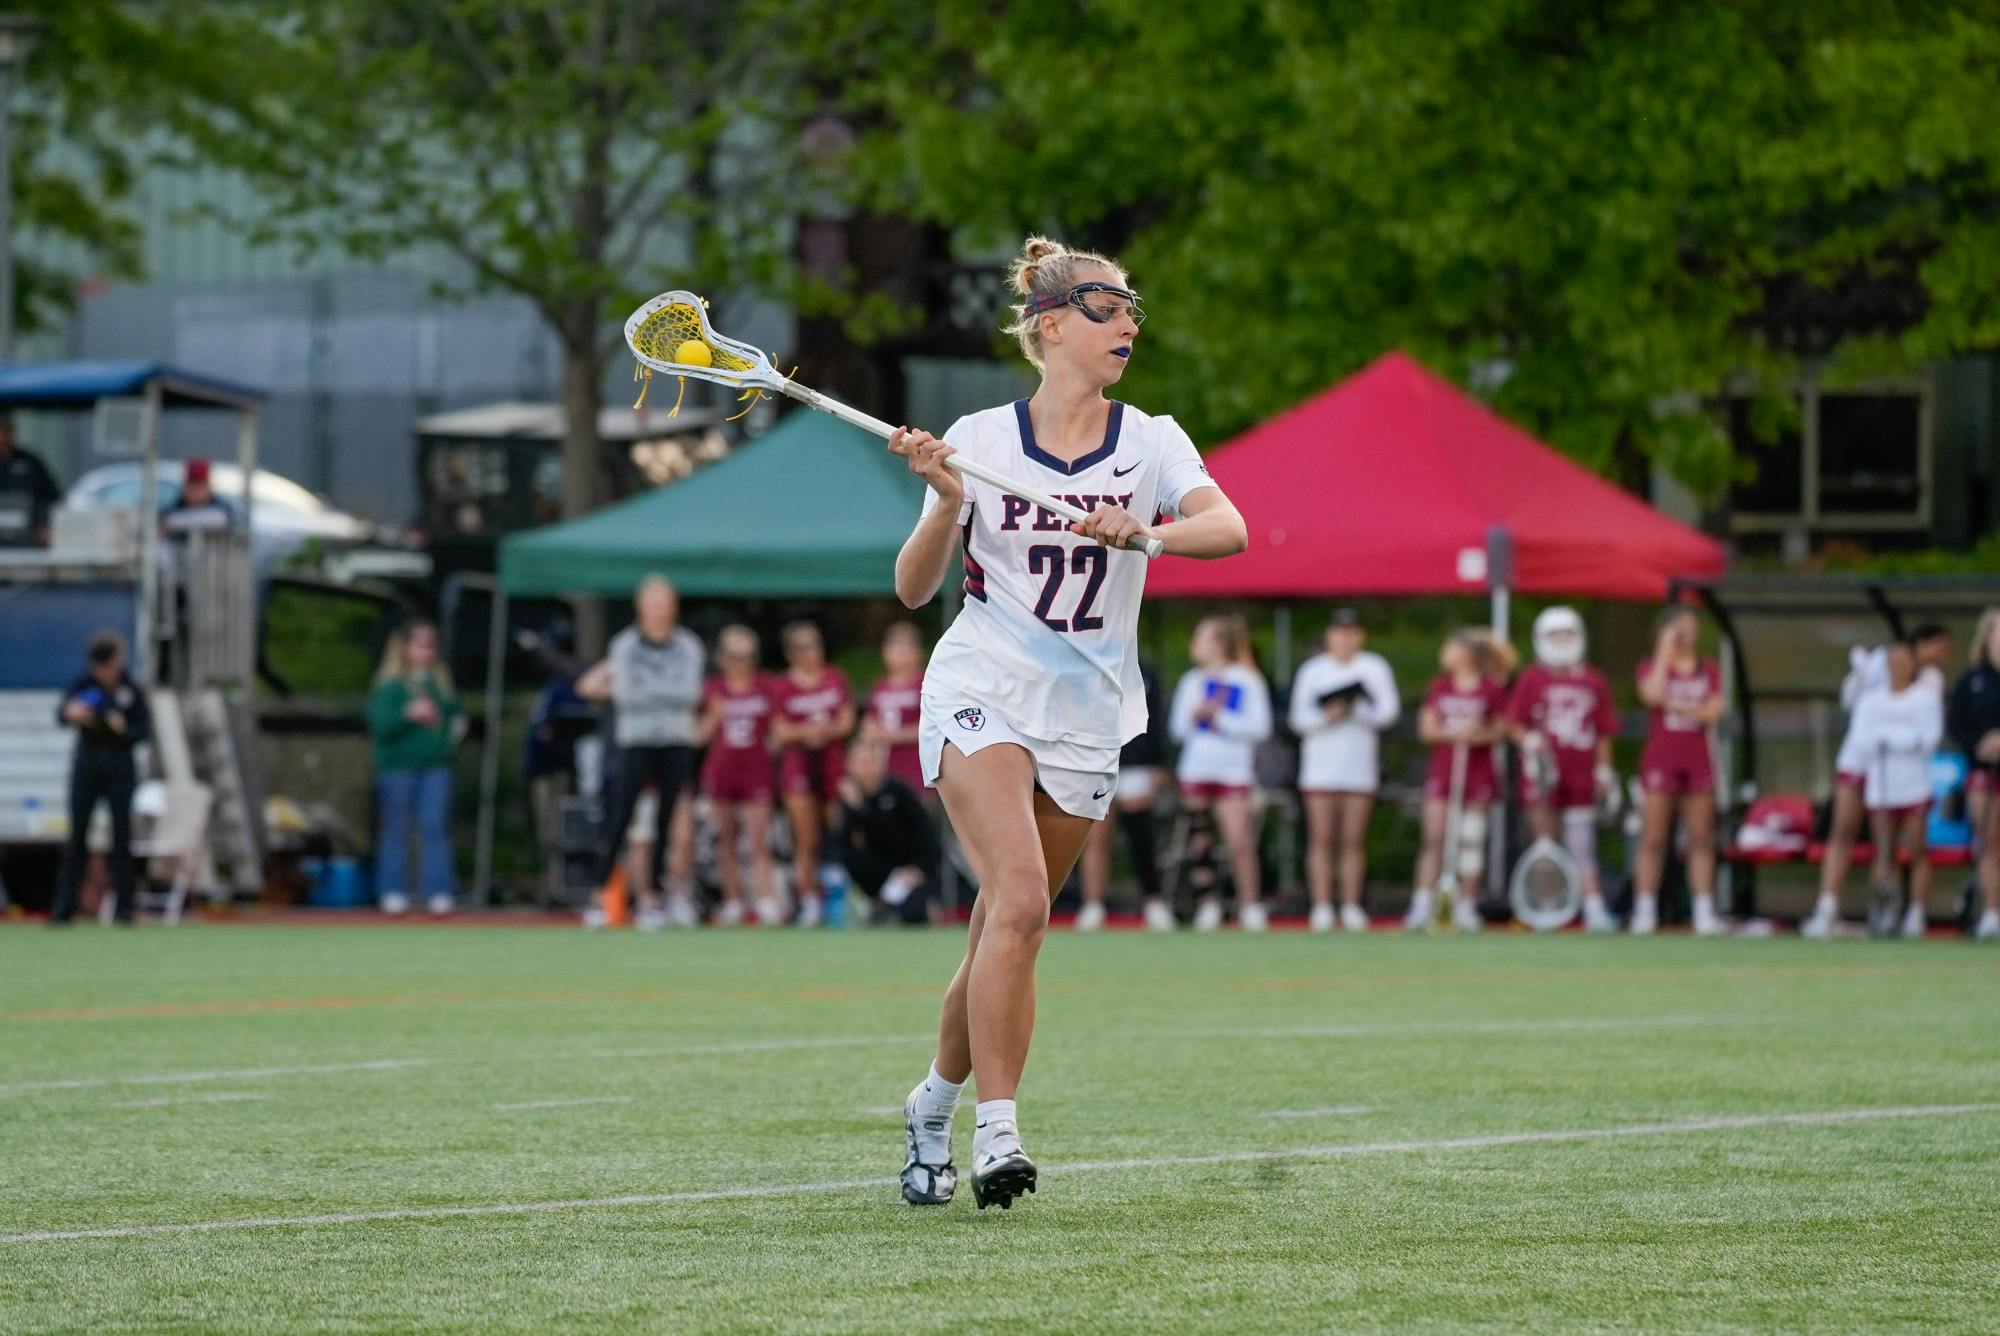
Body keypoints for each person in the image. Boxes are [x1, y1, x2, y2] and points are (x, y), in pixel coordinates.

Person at [887, 234, 1246, 1209]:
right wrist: (943, 501)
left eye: (1132, 308)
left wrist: (1148, 531)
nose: (1128, 322)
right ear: (1049, 325)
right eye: (1106, 307)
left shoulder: (1152, 441)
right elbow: (912, 589)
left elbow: (1229, 528)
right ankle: (998, 1134)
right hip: (984, 685)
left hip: (1088, 711)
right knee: (1021, 900)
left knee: (1001, 929)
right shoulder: (981, 437)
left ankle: (931, 1103)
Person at [1806, 623, 1953, 938]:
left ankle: (1898, 912)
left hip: (1898, 775)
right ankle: (1827, 907)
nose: (1942, 656)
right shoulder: (1876, 665)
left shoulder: (1930, 681)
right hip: (1860, 763)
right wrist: (1860, 677)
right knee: (1843, 831)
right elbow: (1851, 702)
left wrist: (1896, 741)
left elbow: (1927, 731)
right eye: (1938, 648)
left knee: (1890, 846)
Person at [578, 575, 705, 930]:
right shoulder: (625, 645)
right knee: (618, 818)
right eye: (653, 604)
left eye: (665, 604)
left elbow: (689, 694)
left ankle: (654, 898)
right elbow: (626, 696)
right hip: (635, 741)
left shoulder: (688, 646)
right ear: (641, 607)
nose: (659, 611)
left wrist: (646, 690)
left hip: (676, 741)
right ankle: (597, 897)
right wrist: (660, 692)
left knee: (666, 822)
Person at [1508, 606, 1619, 932]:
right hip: (1542, 775)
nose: (1561, 641)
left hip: (1580, 774)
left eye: (1567, 634)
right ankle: (1547, 907)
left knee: (1581, 844)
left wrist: (1604, 770)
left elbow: (1603, 731)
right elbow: (1513, 722)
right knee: (1545, 845)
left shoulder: (1593, 680)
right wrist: (1529, 741)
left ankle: (1592, 906)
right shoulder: (1532, 679)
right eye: (1555, 635)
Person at [1289, 608, 1400, 932]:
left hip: (1359, 766)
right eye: (1339, 632)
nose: (1345, 639)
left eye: (1351, 632)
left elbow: (1388, 713)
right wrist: (1329, 716)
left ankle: (1351, 904)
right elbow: (1298, 719)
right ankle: (1322, 905)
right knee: (1321, 837)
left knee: (1353, 839)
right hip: (1320, 767)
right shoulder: (1313, 670)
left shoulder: (1374, 667)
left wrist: (1357, 710)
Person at [1170, 613, 1274, 931]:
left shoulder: (1247, 679)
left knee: (1239, 841)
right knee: (1199, 841)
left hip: (1233, 771)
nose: (1194, 645)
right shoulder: (1192, 681)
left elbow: (1261, 728)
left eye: (1200, 639)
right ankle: (1207, 904)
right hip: (1197, 769)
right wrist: (1196, 715)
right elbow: (1177, 729)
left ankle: (1249, 904)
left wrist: (1221, 720)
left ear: (1218, 644)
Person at [1404, 630, 1512, 932]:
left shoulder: (1490, 688)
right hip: (1444, 770)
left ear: (1466, 654)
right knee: (1435, 837)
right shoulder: (1439, 687)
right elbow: (1427, 730)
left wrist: (1479, 734)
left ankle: (1467, 904)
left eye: (1450, 648)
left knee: (1471, 840)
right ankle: (1422, 903)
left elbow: (1501, 728)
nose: (1444, 654)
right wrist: (1454, 733)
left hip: (1478, 773)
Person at [1632, 606, 1726, 936]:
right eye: (1679, 627)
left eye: (1691, 626)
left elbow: (1712, 713)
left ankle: (1703, 909)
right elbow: (1652, 695)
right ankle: (1645, 909)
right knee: (1654, 837)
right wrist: (1663, 652)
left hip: (1697, 760)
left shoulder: (1707, 669)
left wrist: (1675, 707)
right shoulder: (1651, 666)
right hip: (1661, 760)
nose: (1687, 632)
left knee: (1700, 837)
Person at [50, 632, 152, 924]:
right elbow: (62, 714)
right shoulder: (85, 687)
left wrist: (123, 729)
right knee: (77, 837)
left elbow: (143, 730)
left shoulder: (130, 689)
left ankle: (125, 908)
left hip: (120, 767)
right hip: (88, 766)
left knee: (121, 838)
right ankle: (64, 907)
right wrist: (72, 713)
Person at [365, 620, 461, 916]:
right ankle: (392, 890)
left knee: (434, 826)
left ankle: (439, 891)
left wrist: (449, 735)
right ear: (405, 648)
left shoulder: (440, 684)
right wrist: (407, 713)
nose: (427, 650)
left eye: (431, 645)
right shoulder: (390, 686)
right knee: (396, 829)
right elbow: (380, 727)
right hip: (397, 768)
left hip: (435, 767)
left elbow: (453, 720)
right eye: (421, 644)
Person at [770, 620, 856, 927]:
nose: (812, 652)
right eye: (804, 647)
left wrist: (825, 730)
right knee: (806, 838)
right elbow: (780, 731)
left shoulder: (834, 678)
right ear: (790, 653)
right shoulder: (783, 686)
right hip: (799, 764)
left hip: (831, 762)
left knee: (839, 829)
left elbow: (847, 721)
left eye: (815, 644)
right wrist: (809, 730)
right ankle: (807, 899)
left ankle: (842, 896)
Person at [1077, 656, 1169, 930]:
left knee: (1140, 836)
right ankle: (1093, 905)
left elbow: (1155, 717)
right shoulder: (1087, 661)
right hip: (1097, 760)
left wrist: (1157, 762)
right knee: (1095, 837)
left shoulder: (1145, 670)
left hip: (1136, 763)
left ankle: (1153, 902)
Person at [697, 625, 780, 926]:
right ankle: (732, 900)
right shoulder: (713, 689)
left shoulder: (765, 687)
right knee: (726, 838)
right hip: (722, 769)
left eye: (747, 656)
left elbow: (777, 731)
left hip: (755, 770)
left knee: (759, 838)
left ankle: (765, 899)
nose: (742, 663)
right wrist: (714, 714)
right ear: (722, 658)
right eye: (735, 656)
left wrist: (770, 750)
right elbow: (699, 736)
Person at [833, 735, 943, 924]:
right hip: (879, 875)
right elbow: (846, 845)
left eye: (872, 761)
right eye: (862, 762)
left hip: (911, 869)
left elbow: (927, 832)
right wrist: (858, 810)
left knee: (913, 914)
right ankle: (874, 904)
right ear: (850, 766)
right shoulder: (848, 800)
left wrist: (920, 869)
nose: (869, 768)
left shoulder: (899, 792)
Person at [1947, 607, 2000, 940]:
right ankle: (1992, 912)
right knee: (1990, 842)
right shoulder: (1972, 680)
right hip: (1984, 773)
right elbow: (1956, 725)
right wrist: (1981, 745)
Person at [864, 622, 926, 794]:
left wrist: (893, 735)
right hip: (885, 765)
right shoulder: (881, 686)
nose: (901, 654)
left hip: (915, 765)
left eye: (907, 648)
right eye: (896, 647)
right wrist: (871, 732)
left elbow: (930, 726)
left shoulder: (924, 683)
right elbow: (870, 719)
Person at [0, 415, 62, 547]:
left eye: (6, 432)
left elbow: (52, 498)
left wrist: (46, 524)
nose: (2, 438)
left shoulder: (29, 462)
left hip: (30, 538)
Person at [161, 457, 236, 536]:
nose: (196, 491)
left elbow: (221, 518)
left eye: (200, 485)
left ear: (209, 486)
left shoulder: (223, 509)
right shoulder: (171, 510)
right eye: (192, 485)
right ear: (185, 486)